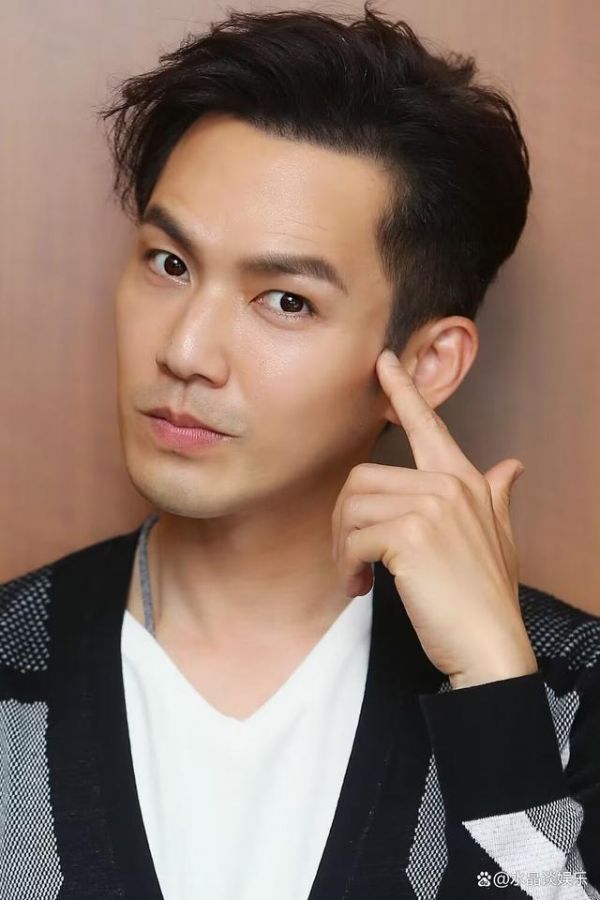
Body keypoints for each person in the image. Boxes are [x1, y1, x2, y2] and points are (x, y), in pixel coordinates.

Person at [1, 4, 599, 898]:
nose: (185, 351)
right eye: (169, 263)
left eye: (286, 300)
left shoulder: (571, 695)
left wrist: (493, 691)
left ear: (425, 364)